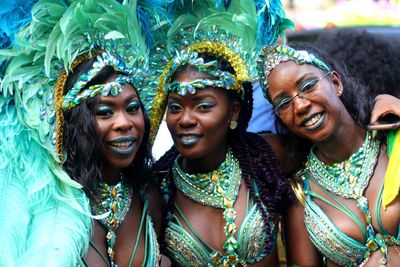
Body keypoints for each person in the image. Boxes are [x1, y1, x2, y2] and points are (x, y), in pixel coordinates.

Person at [0, 0, 163, 265]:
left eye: (132, 108)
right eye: (105, 112)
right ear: (77, 124)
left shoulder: (149, 195)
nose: (124, 123)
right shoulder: (50, 205)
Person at [148, 0, 295, 266]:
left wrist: (385, 105)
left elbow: (335, 144)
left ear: (234, 112)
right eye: (175, 107)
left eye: (203, 106)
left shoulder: (265, 156)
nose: (185, 119)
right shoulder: (159, 188)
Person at [257, 43, 400, 266]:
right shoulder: (301, 196)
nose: (301, 105)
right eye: (284, 102)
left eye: (307, 86)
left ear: (335, 83)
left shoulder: (392, 141)